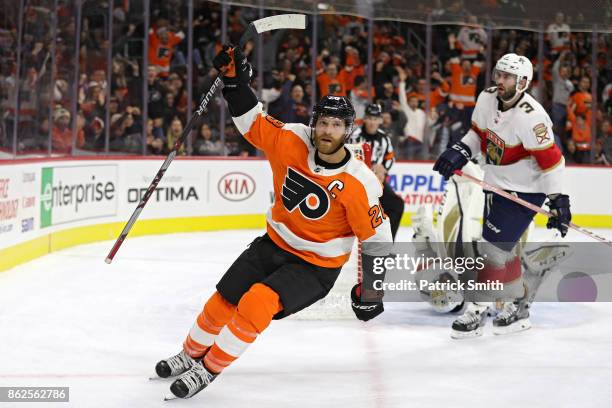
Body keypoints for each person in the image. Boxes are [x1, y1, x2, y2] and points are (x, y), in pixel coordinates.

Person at [155, 45, 392, 399]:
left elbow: (378, 239)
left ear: (348, 131)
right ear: (314, 124)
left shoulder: (359, 181)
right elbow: (252, 123)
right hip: (275, 243)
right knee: (224, 299)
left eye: (337, 125)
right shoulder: (292, 139)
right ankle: (189, 354)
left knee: (257, 302)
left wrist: (371, 290)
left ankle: (208, 369)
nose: (328, 131)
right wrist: (235, 82)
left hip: (316, 266)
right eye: (323, 123)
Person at [433, 53, 571, 339]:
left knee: (491, 250)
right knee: (501, 250)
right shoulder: (486, 98)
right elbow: (476, 135)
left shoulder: (532, 118)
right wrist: (458, 152)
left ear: (522, 82)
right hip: (495, 183)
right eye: (499, 74)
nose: (500, 80)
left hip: (525, 190)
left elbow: (552, 163)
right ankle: (517, 306)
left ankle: (477, 309)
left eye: (507, 76)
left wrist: (559, 199)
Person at [348, 103, 404, 240]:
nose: (372, 122)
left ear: (380, 120)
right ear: (364, 119)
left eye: (375, 119)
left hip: (377, 183)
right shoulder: (354, 136)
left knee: (397, 205)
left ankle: (386, 246)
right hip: (356, 184)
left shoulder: (384, 138)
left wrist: (383, 169)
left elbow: (390, 158)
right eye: (370, 118)